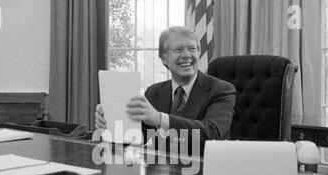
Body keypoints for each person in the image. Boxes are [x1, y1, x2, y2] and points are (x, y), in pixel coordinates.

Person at [95, 26, 236, 152]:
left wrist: (159, 119)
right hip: (161, 172)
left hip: (203, 170)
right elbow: (138, 138)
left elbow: (213, 134)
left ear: (198, 53)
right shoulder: (153, 92)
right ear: (164, 58)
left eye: (192, 49)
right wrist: (111, 124)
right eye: (179, 49)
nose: (187, 55)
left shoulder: (221, 90)